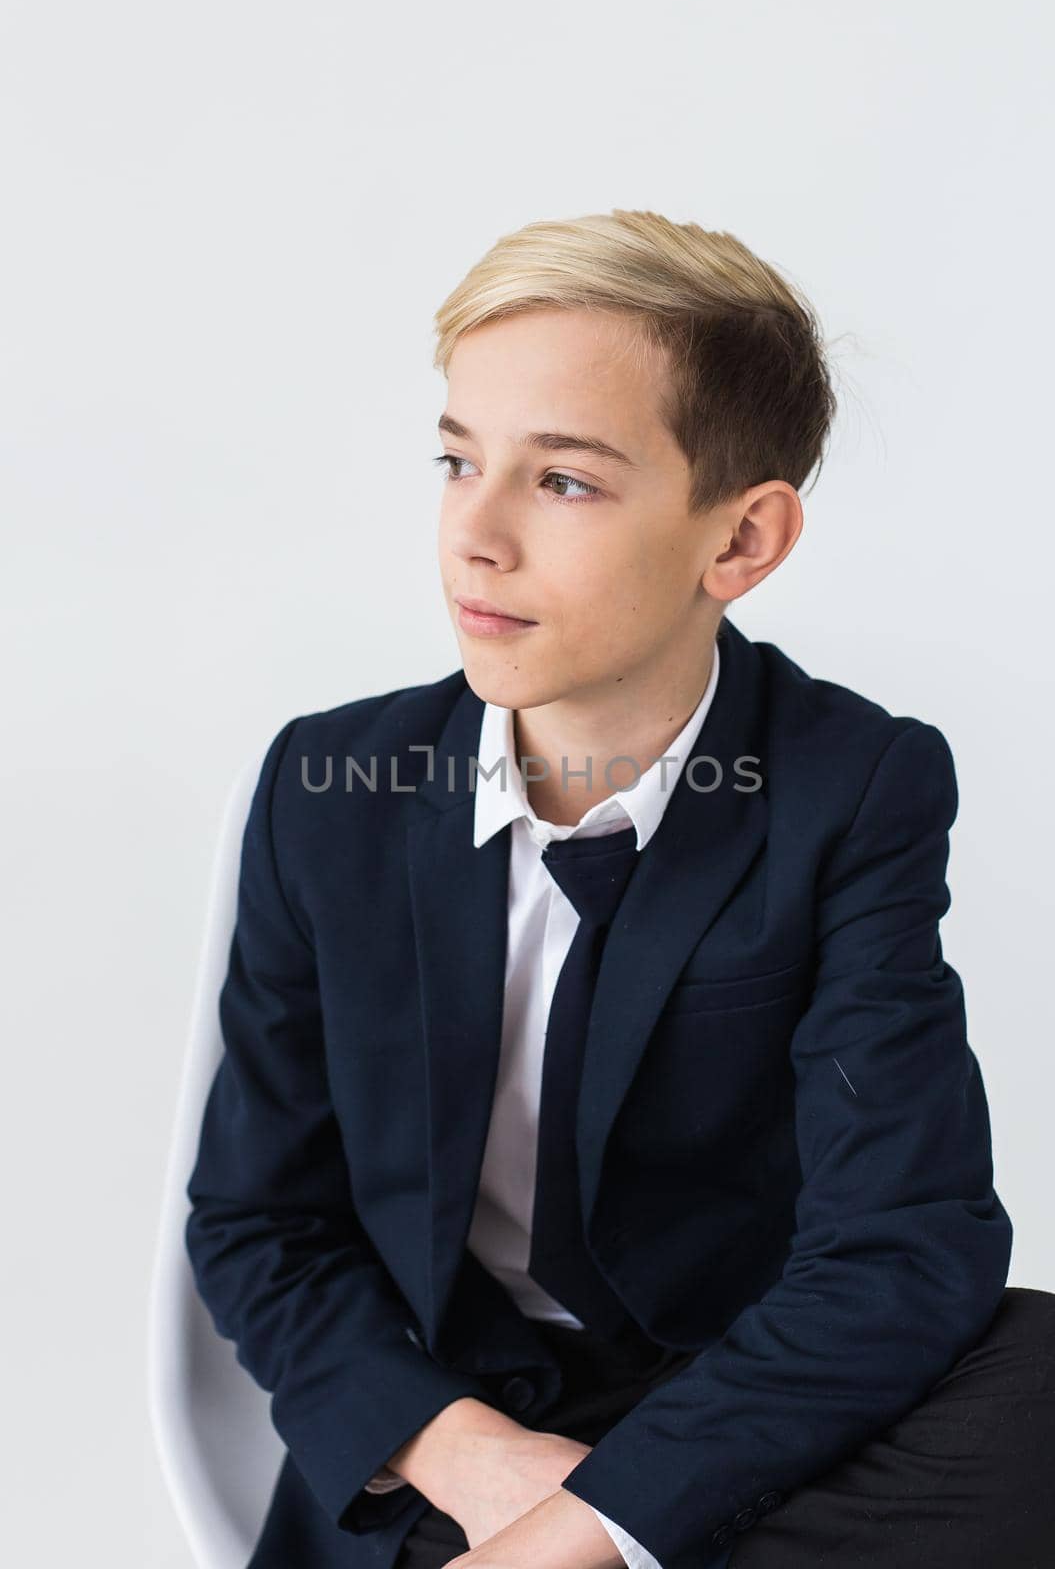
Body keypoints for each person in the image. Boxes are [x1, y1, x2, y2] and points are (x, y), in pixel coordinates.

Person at [184, 210, 1055, 1569]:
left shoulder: (854, 785)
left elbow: (904, 1240)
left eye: (564, 483)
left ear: (744, 542)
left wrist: (592, 1529)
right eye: (457, 460)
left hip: (749, 1385)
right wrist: (468, 1456)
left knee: (1042, 1375)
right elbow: (260, 1222)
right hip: (467, 1399)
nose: (474, 535)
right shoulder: (330, 787)